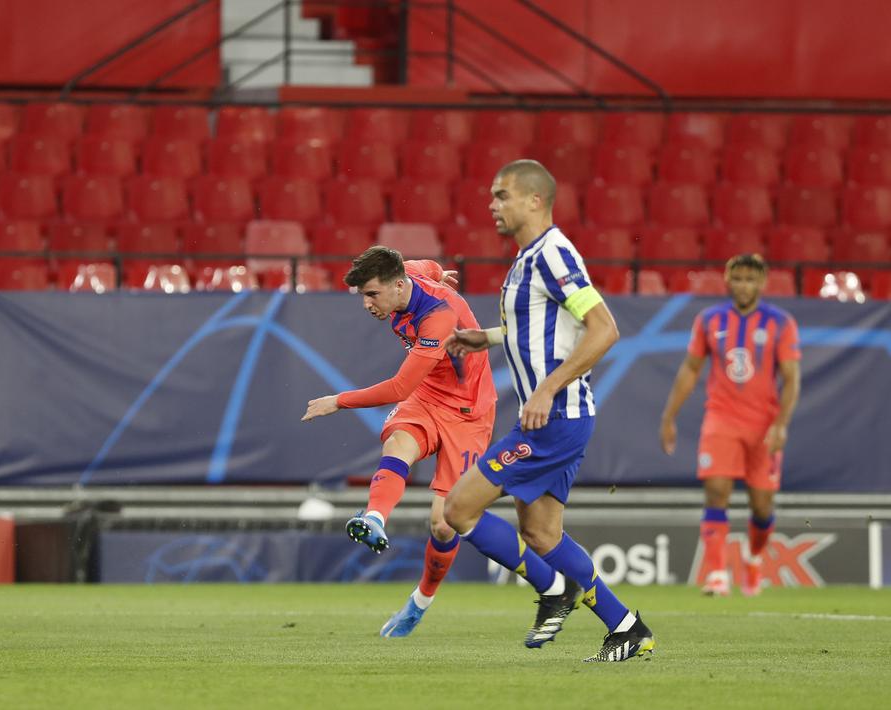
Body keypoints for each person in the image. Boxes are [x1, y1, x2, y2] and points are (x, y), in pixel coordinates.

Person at [302, 246, 578, 642]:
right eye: (363, 295)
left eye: (372, 295)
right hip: (427, 398)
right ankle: (374, 518)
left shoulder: (439, 318)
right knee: (399, 442)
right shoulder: (408, 273)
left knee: (445, 523)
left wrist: (338, 401)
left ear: (398, 287)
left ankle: (420, 601)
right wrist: (442, 271)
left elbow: (398, 386)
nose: (367, 304)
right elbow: (425, 266)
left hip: (468, 413)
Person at [443, 159, 655, 662]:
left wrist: (546, 390)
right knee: (540, 533)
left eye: (502, 195)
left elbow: (603, 328)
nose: (492, 205)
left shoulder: (554, 254)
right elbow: (547, 327)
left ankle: (553, 589)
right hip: (550, 417)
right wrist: (487, 338)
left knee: (457, 508)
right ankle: (627, 627)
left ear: (535, 200)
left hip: (553, 417)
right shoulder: (527, 259)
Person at [659, 253, 801, 597]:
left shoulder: (780, 323)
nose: (743, 286)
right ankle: (718, 574)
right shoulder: (710, 319)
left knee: (762, 506)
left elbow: (792, 378)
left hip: (763, 424)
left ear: (762, 283)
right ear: (728, 281)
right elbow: (691, 369)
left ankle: (753, 558)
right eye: (737, 279)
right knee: (717, 492)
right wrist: (669, 416)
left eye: (751, 279)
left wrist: (781, 424)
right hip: (721, 418)